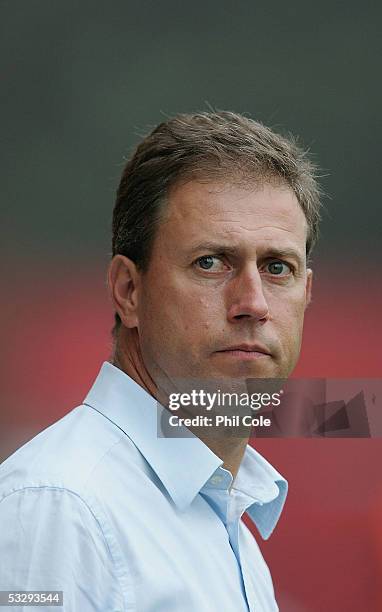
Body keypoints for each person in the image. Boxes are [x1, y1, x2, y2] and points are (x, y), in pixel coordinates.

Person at [0, 111, 322, 611]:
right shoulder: (60, 507)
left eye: (277, 267)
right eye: (211, 262)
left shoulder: (226, 520)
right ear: (128, 290)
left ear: (306, 292)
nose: (254, 302)